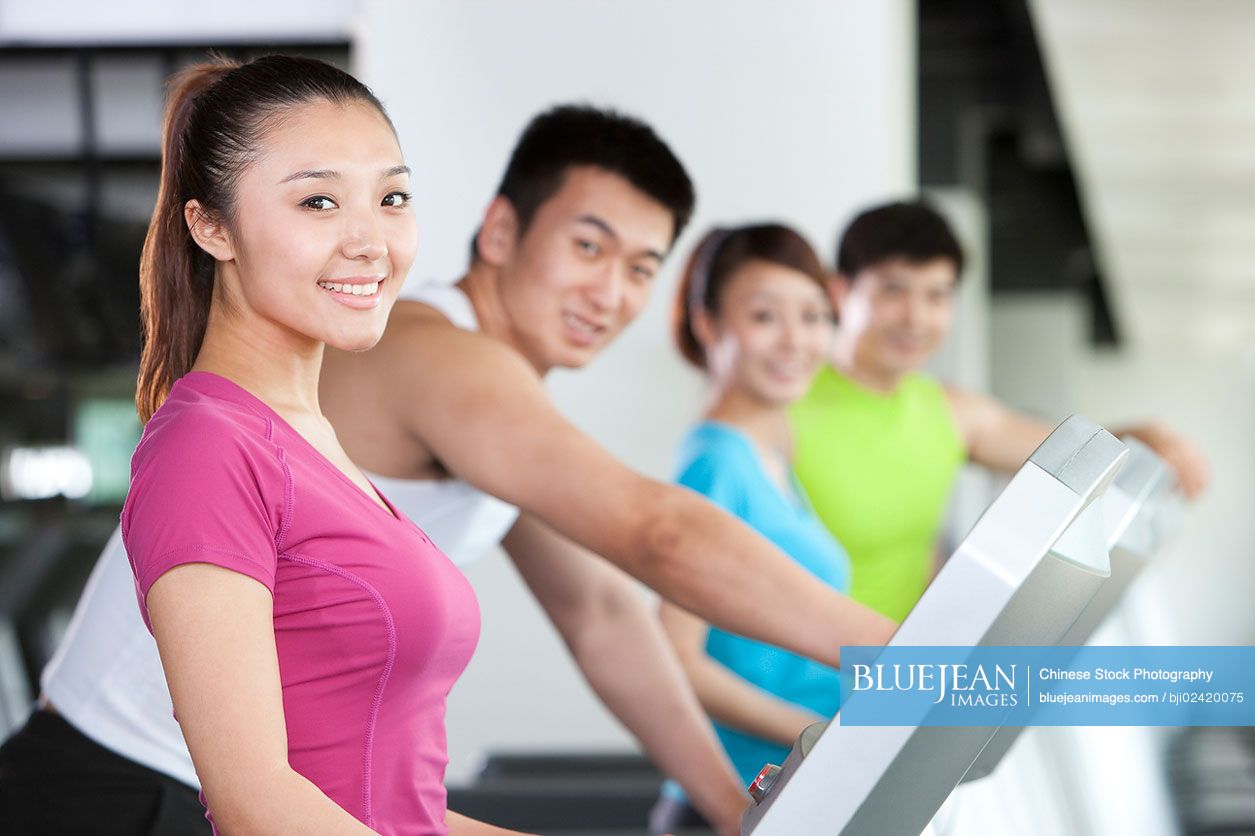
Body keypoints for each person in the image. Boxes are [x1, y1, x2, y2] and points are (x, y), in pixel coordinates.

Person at [2, 104, 895, 836]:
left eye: (640, 269)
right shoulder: (438, 354)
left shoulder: (501, 415)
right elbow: (654, 535)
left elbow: (603, 618)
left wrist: (734, 815)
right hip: (129, 785)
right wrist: (931, 663)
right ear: (500, 230)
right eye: (587, 248)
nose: (609, 293)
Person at [1, 55, 521, 836]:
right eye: (318, 201)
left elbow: (393, 809)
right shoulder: (208, 448)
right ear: (211, 226)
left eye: (392, 198)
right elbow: (257, 809)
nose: (370, 240)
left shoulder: (309, 439)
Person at [791, 199, 1210, 621]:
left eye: (936, 295)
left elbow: (1068, 452)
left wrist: (1143, 435)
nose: (914, 317)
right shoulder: (784, 406)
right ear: (839, 291)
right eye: (893, 290)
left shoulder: (948, 410)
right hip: (776, 681)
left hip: (883, 673)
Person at [650, 223, 854, 833]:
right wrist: (822, 735)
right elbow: (675, 659)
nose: (797, 340)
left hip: (796, 789)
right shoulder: (715, 463)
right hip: (736, 801)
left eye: (815, 316)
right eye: (766, 316)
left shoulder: (772, 450)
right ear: (707, 323)